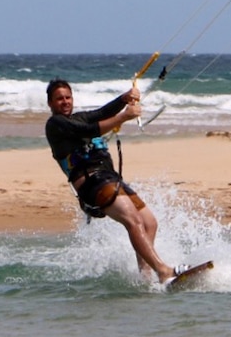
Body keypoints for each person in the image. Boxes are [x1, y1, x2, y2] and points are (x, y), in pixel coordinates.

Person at [45, 78, 183, 283]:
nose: (65, 102)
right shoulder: (55, 124)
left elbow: (102, 113)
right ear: (50, 103)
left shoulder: (79, 117)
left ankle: (145, 278)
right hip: (91, 182)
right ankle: (162, 271)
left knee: (149, 223)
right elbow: (89, 131)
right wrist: (124, 117)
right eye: (59, 99)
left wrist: (124, 98)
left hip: (109, 178)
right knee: (134, 221)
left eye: (68, 97)